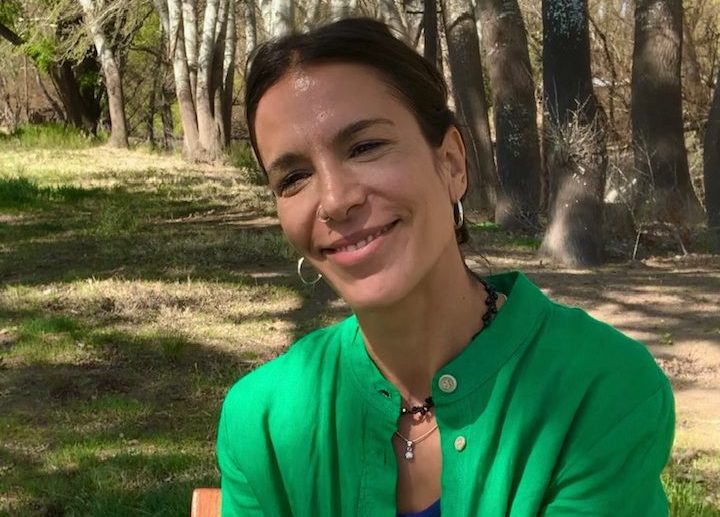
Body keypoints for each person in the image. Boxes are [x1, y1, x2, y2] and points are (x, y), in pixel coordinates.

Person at [216, 18, 674, 517]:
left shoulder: (600, 388)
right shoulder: (260, 422)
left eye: (365, 147)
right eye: (293, 177)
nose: (334, 200)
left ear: (452, 164)